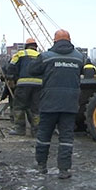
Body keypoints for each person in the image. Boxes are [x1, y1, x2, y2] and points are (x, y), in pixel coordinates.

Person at [28, 29, 85, 179]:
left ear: (54, 41)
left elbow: (32, 70)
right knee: (66, 138)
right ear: (70, 40)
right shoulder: (79, 58)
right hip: (70, 104)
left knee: (44, 136)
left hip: (49, 103)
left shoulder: (46, 57)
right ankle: (64, 170)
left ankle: (41, 166)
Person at [6, 37, 42, 136]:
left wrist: (10, 79)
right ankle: (37, 130)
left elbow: (11, 67)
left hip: (23, 85)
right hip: (39, 86)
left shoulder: (20, 54)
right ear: (36, 47)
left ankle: (19, 129)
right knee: (36, 109)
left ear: (26, 46)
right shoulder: (41, 56)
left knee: (19, 107)